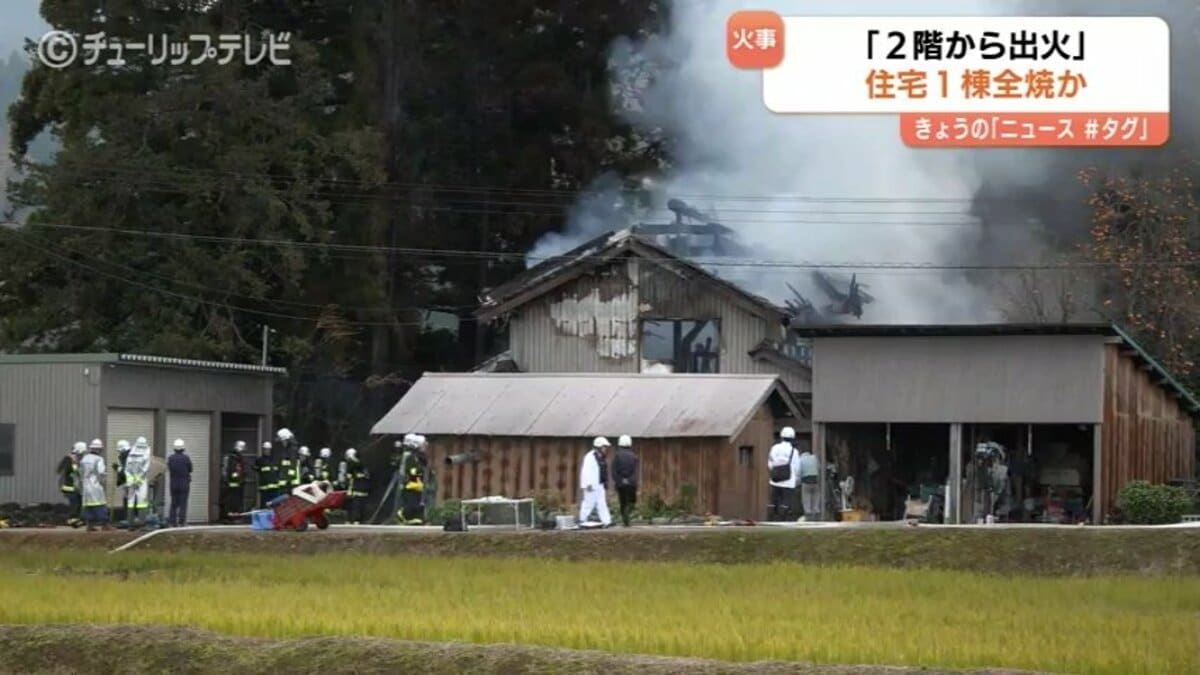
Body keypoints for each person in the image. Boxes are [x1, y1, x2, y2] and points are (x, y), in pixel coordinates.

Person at [767, 427, 801, 522]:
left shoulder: (775, 448)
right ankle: (782, 520)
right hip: (788, 481)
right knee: (785, 501)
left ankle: (771, 519)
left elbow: (770, 462)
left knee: (773, 500)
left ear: (781, 436)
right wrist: (795, 477)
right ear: (792, 438)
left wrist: (775, 471)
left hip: (775, 480)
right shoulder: (794, 451)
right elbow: (797, 467)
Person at [578, 436, 612, 527]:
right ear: (599, 447)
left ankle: (607, 521)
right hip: (591, 485)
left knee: (602, 503)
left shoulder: (601, 457)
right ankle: (582, 519)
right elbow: (585, 471)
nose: (606, 449)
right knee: (588, 503)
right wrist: (587, 484)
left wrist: (605, 482)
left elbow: (602, 471)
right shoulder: (590, 457)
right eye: (604, 447)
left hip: (599, 484)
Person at [79, 439, 109, 531]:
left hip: (86, 484)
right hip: (95, 484)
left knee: (88, 504)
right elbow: (101, 472)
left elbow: (80, 472)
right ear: (99, 449)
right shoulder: (99, 459)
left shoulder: (84, 458)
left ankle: (90, 525)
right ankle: (105, 524)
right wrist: (105, 476)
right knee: (99, 503)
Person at [398, 434, 428, 525]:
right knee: (411, 504)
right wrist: (419, 470)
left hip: (417, 486)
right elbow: (412, 471)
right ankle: (403, 514)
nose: (424, 447)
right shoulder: (409, 457)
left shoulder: (418, 457)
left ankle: (415, 519)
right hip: (410, 486)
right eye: (422, 445)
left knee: (417, 505)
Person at [124, 437, 152, 528]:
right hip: (141, 481)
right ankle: (142, 524)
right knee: (142, 502)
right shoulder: (146, 453)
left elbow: (127, 469)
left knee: (131, 501)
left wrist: (131, 480)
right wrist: (138, 480)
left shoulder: (131, 454)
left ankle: (130, 524)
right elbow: (145, 469)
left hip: (132, 481)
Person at [612, 434, 640, 527]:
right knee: (632, 501)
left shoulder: (617, 456)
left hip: (620, 484)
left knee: (622, 502)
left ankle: (625, 520)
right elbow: (635, 471)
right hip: (631, 483)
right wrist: (630, 480)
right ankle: (627, 515)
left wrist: (620, 480)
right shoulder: (633, 456)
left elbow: (614, 470)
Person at [167, 439, 193, 527]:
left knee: (173, 503)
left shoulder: (170, 458)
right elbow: (190, 469)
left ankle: (172, 522)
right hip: (184, 483)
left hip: (173, 483)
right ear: (183, 448)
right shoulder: (186, 458)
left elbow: (169, 468)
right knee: (183, 503)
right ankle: (182, 522)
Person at [57, 443, 84, 527]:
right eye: (82, 453)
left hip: (75, 487)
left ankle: (76, 519)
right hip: (68, 486)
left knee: (79, 501)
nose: (82, 455)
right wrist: (74, 468)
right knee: (74, 502)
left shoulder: (76, 460)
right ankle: (72, 519)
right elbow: (62, 470)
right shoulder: (69, 459)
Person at [221, 441, 247, 522]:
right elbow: (233, 472)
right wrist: (239, 478)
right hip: (234, 485)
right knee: (233, 502)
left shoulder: (234, 458)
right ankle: (231, 517)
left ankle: (233, 517)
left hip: (236, 484)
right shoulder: (234, 458)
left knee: (234, 502)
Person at [342, 448, 369, 524]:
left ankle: (352, 519)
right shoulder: (362, 465)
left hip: (355, 488)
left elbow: (350, 478)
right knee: (360, 505)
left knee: (353, 504)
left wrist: (349, 489)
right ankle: (357, 519)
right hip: (363, 488)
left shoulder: (352, 465)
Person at [798, 443, 821, 521]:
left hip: (806, 481)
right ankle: (817, 517)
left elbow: (799, 471)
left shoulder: (800, 459)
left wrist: (798, 481)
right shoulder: (814, 458)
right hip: (815, 481)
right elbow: (819, 468)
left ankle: (808, 519)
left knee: (806, 501)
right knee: (816, 500)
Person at [112, 440, 131, 524]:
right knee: (127, 500)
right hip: (129, 482)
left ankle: (128, 518)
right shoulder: (128, 456)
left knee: (128, 501)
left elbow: (124, 471)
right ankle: (128, 518)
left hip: (129, 482)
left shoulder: (126, 457)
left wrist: (118, 469)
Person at [275, 428, 299, 492]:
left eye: (282, 441)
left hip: (290, 482)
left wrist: (289, 478)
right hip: (285, 480)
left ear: (286, 440)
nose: (281, 443)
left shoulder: (292, 450)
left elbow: (293, 464)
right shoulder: (286, 449)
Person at [255, 441, 278, 508]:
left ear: (270, 449)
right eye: (265, 449)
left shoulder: (275, 460)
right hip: (264, 488)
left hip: (274, 487)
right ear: (263, 449)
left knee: (274, 506)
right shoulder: (259, 460)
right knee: (264, 506)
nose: (267, 450)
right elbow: (257, 470)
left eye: (268, 449)